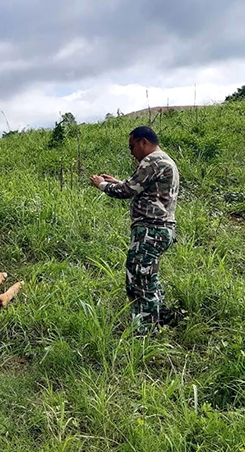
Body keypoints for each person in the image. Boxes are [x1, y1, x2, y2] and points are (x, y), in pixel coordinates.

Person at [89, 125, 180, 335]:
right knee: (149, 277)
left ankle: (145, 332)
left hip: (150, 230)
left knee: (138, 280)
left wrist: (102, 185)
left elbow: (127, 191)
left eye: (132, 146)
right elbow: (146, 190)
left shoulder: (152, 161)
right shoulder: (165, 160)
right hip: (162, 229)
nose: (131, 152)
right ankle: (161, 316)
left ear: (143, 142)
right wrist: (118, 182)